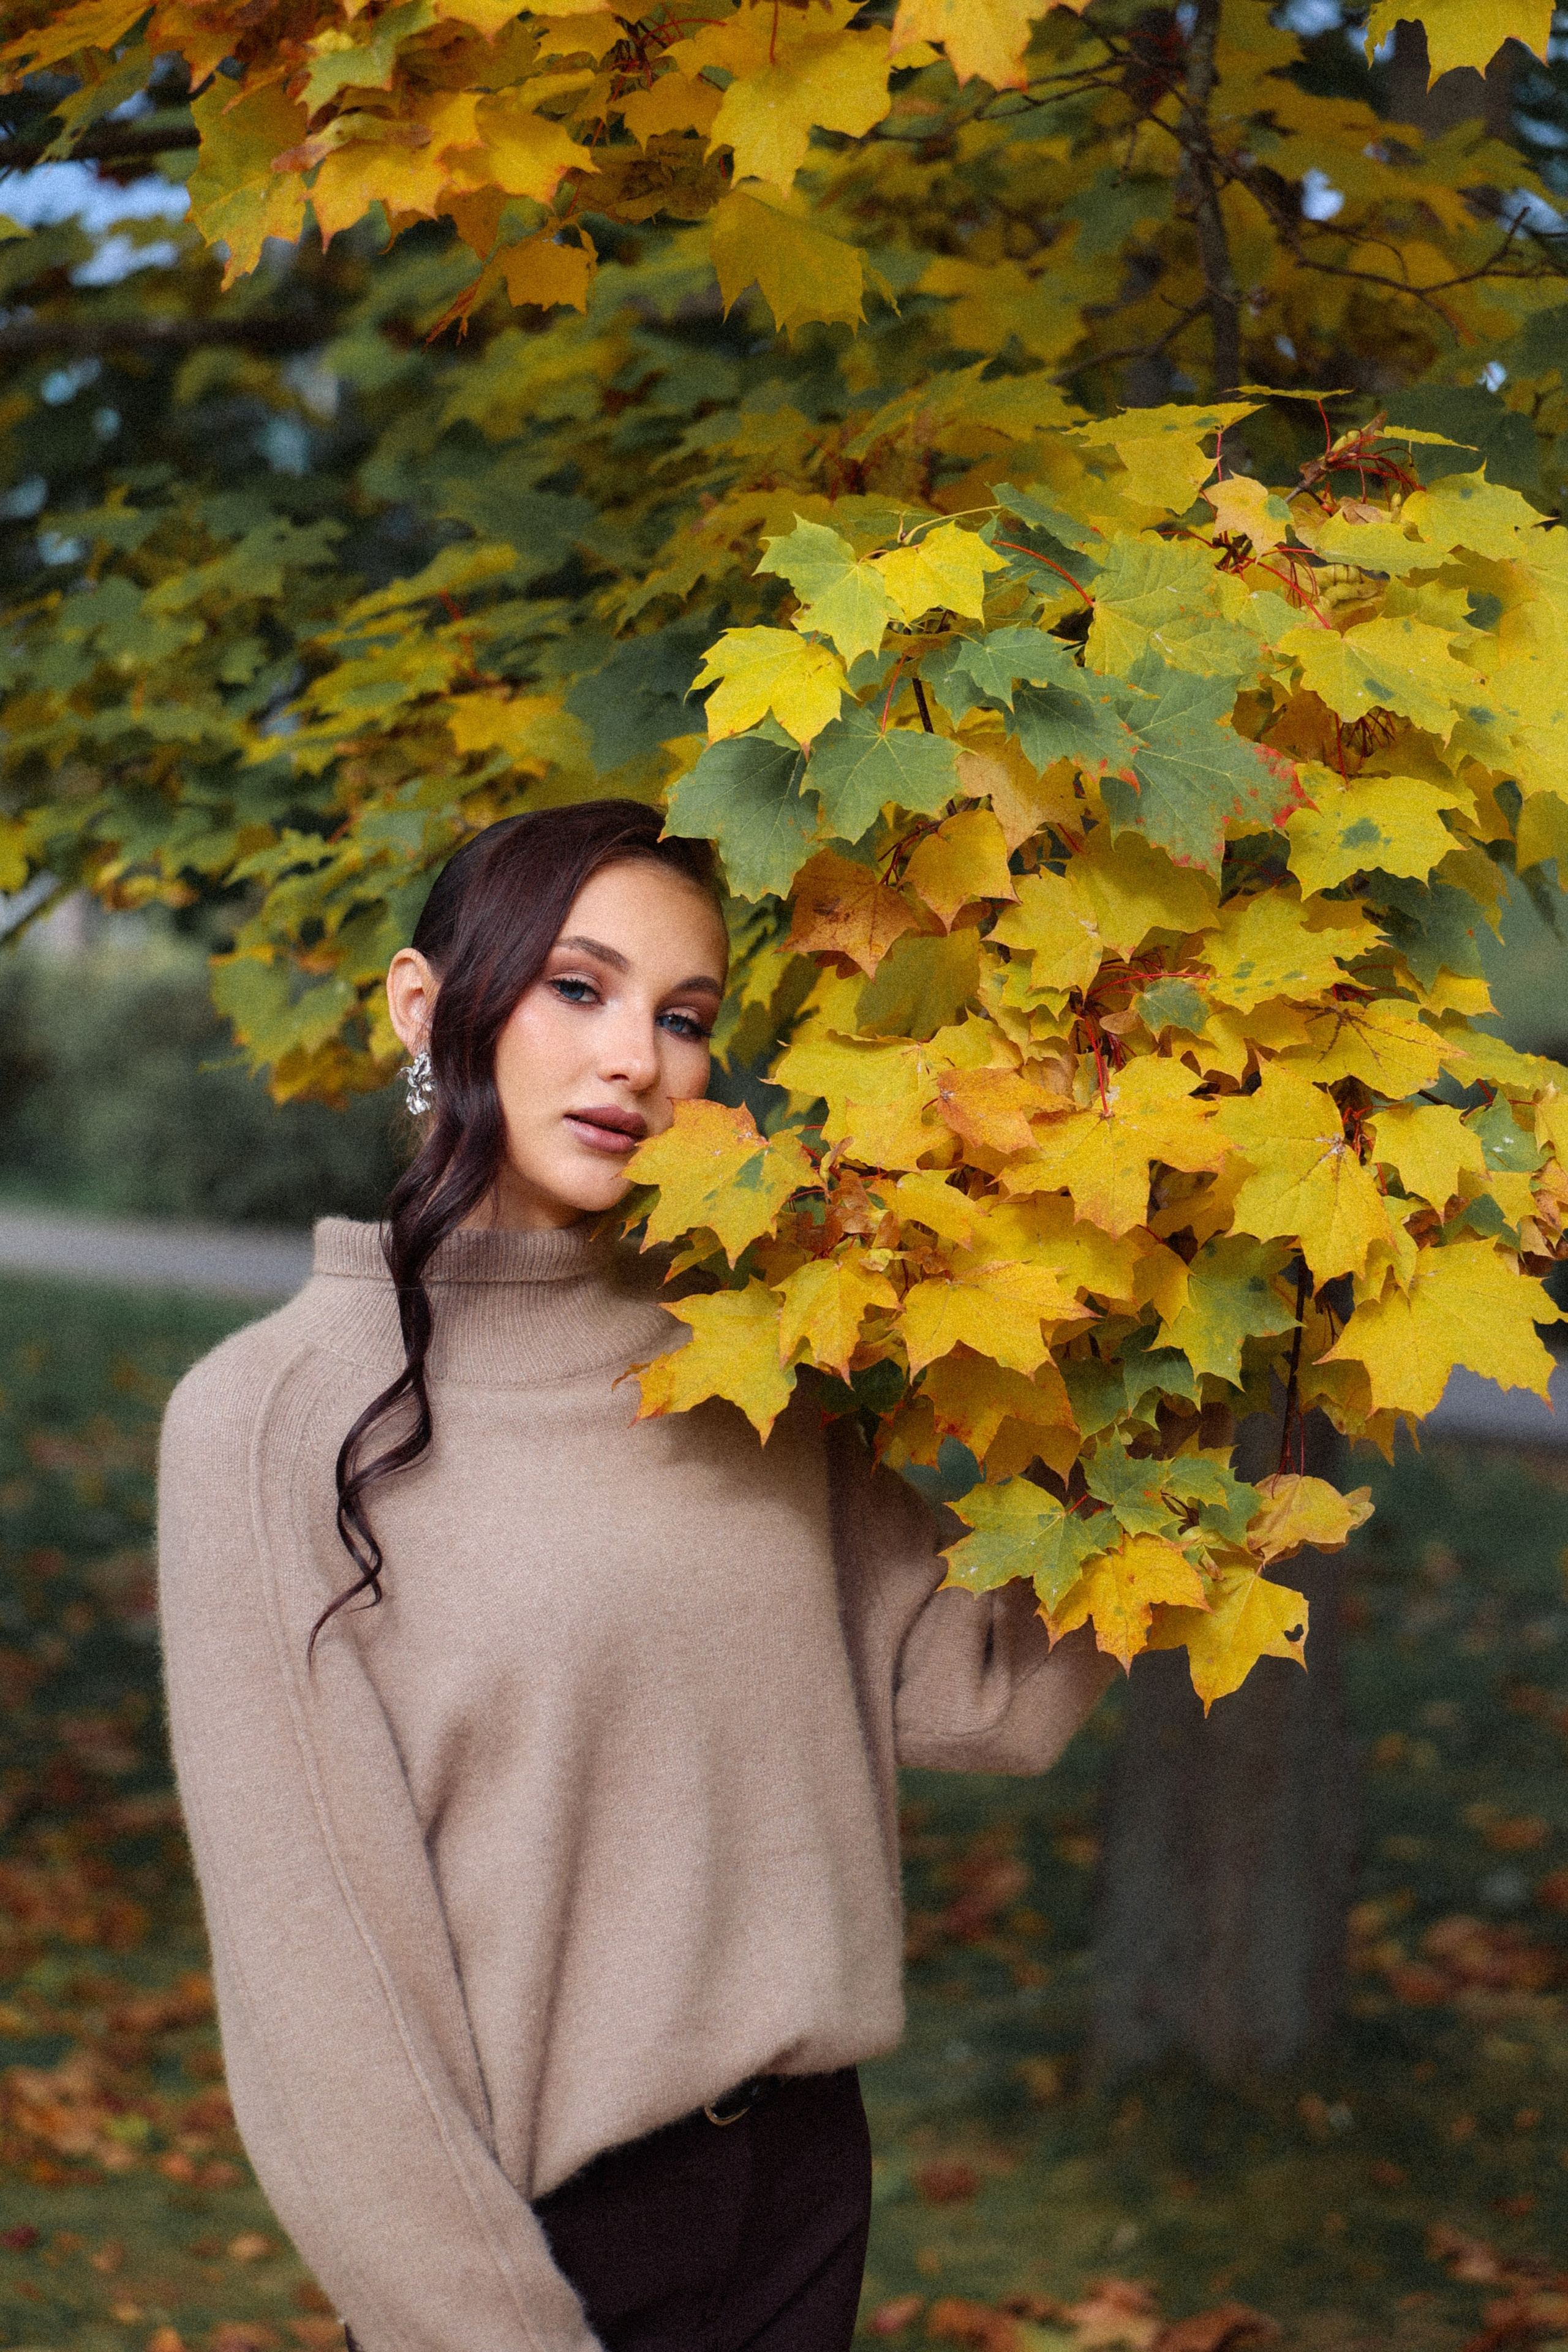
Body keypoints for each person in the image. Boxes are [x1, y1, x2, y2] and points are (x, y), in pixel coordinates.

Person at [157, 799, 1112, 2352]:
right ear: (424, 1004)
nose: (637, 1063)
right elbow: (321, 1993)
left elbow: (981, 1694)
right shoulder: (271, 1425)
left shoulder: (743, 1364)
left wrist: (1180, 1366)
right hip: (523, 2255)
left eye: (683, 1020)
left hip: (799, 2184)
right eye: (578, 989)